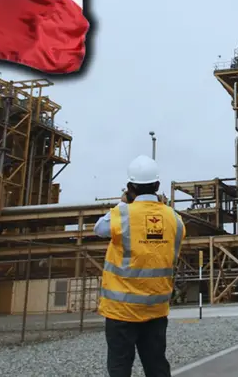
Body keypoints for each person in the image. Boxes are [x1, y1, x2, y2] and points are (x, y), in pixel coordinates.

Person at [94, 155, 185, 377]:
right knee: (156, 366)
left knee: (120, 366)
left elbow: (99, 229)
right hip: (155, 309)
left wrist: (123, 202)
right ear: (157, 185)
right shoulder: (175, 219)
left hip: (121, 310)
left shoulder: (121, 213)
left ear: (129, 187)